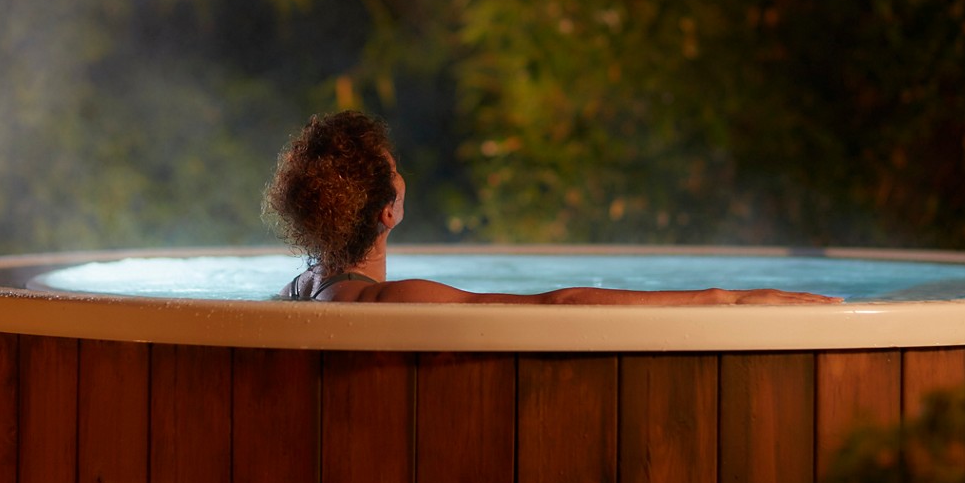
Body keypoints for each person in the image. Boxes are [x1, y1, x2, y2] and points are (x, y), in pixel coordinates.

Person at [262, 111, 841, 305]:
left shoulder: (302, 289)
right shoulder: (393, 299)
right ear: (387, 211)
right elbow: (556, 304)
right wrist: (725, 298)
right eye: (395, 170)